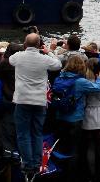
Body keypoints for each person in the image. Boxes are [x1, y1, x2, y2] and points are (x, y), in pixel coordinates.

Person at [9, 33, 62, 177]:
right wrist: (48, 51)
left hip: (22, 100)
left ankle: (27, 165)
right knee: (37, 133)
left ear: (25, 44)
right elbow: (58, 64)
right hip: (39, 101)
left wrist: (24, 48)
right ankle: (37, 163)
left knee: (23, 134)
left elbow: (10, 59)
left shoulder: (18, 57)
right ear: (39, 45)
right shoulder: (44, 59)